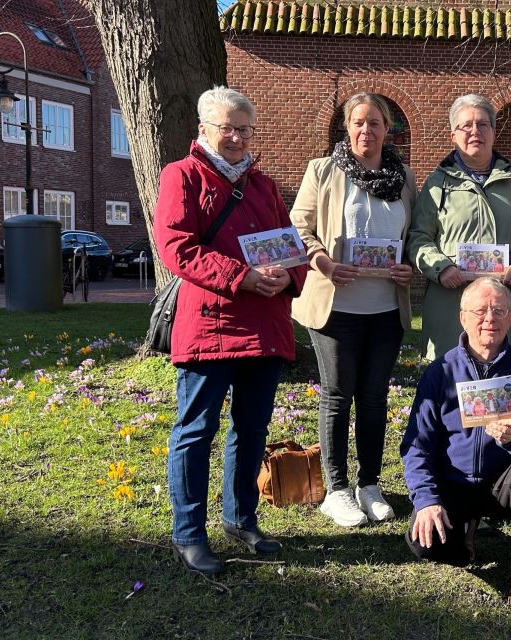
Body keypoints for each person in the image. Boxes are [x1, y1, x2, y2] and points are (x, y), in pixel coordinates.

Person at [153, 86, 309, 576]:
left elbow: (290, 246)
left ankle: (241, 518)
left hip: (264, 326)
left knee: (251, 429)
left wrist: (289, 276)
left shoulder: (263, 186)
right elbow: (177, 247)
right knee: (196, 431)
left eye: (245, 129)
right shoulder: (181, 175)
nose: (238, 138)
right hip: (211, 326)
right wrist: (242, 277)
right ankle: (188, 533)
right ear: (203, 129)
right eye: (228, 129)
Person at [290, 93, 418, 528]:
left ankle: (369, 485)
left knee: (375, 397)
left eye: (375, 123)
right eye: (359, 122)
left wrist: (409, 265)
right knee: (338, 395)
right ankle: (337, 489)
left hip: (386, 307)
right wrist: (323, 262)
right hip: (336, 305)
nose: (367, 130)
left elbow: (415, 234)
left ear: (387, 129)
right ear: (347, 127)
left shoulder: (404, 177)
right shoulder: (323, 170)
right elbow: (298, 227)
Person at [401, 277, 511, 610]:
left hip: (505, 485)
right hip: (454, 483)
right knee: (424, 543)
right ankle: (464, 538)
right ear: (463, 317)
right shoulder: (440, 373)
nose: (490, 318)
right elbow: (417, 446)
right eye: (480, 311)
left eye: (499, 310)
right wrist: (427, 500)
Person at [407, 94, 511, 360]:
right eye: (466, 126)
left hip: (505, 307)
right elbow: (418, 237)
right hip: (451, 307)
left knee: (505, 380)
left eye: (483, 124)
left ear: (493, 132)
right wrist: (440, 267)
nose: (475, 131)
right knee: (452, 380)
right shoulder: (437, 184)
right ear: (453, 136)